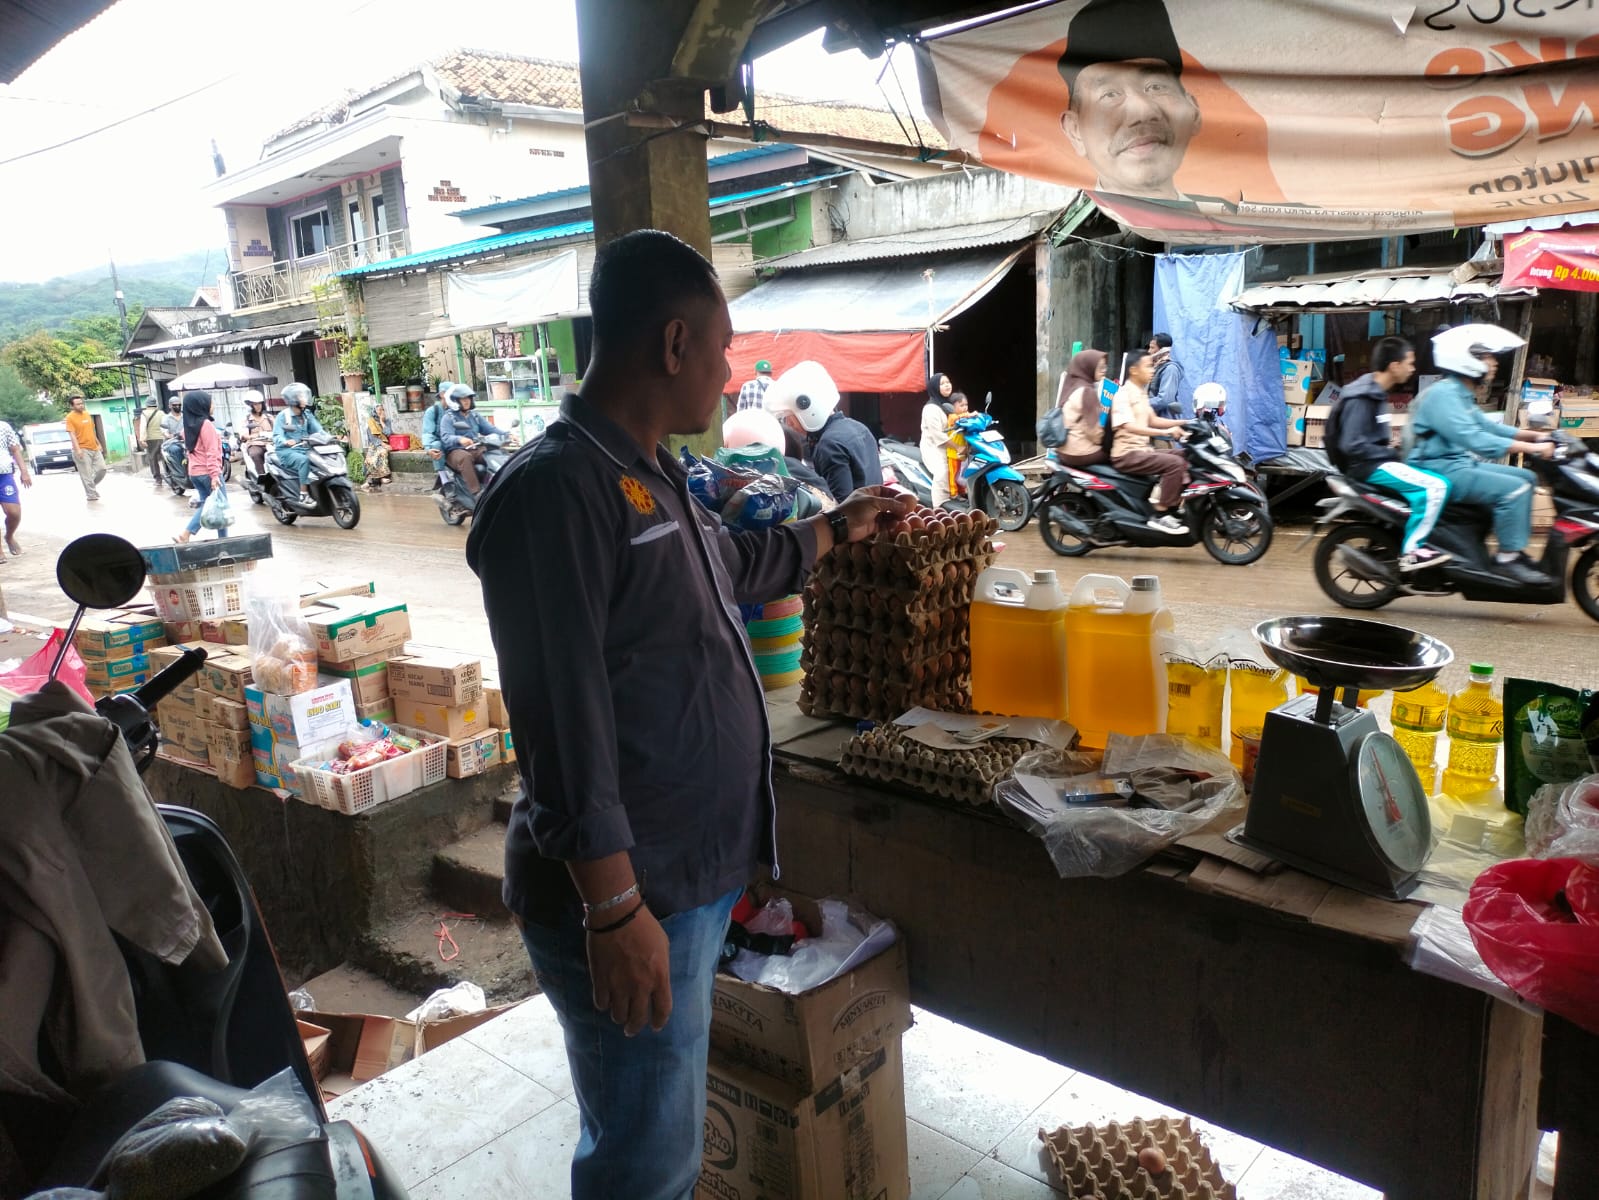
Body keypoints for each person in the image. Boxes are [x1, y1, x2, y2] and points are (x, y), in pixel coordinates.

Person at [464, 229, 909, 1200]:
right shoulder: (558, 493)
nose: (729, 370)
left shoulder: (650, 472)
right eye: (722, 346)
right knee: (644, 1159)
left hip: (683, 884)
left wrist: (837, 526)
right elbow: (560, 722)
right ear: (674, 344)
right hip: (635, 895)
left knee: (660, 1133)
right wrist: (614, 909)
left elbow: (733, 566)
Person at [1408, 331, 1557, 587]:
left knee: (1527, 478)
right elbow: (1475, 439)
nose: (1495, 363)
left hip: (1458, 463)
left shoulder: (1459, 393)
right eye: (1488, 357)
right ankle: (1507, 558)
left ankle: (1513, 550)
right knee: (1516, 488)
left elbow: (1488, 427)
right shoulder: (1443, 395)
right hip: (1439, 468)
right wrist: (1531, 448)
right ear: (1467, 361)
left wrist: (1536, 436)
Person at [1328, 337, 1452, 573]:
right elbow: (1352, 444)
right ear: (1395, 366)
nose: (1413, 369)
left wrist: (1389, 447)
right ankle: (1412, 551)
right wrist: (1387, 451)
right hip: (1368, 467)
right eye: (1410, 363)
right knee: (1435, 488)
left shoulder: (1376, 391)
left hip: (1375, 462)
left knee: (1440, 480)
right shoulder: (1363, 396)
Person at [1056, 0, 1202, 201]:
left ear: (1194, 112)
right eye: (1110, 94)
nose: (1142, 111)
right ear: (1075, 131)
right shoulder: (1074, 222)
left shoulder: (1232, 214)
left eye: (1156, 87)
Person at [764, 360, 881, 504]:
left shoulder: (829, 445)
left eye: (789, 415)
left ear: (807, 408)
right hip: (875, 512)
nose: (789, 423)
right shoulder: (859, 428)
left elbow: (840, 506)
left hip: (859, 517)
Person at [1110, 350, 1191, 532]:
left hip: (1142, 450)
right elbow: (1127, 426)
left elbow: (1153, 420)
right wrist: (1167, 432)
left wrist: (1186, 423)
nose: (1152, 370)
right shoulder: (1123, 394)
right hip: (1127, 454)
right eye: (1148, 366)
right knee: (1175, 464)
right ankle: (1161, 514)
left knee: (1187, 455)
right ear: (1134, 370)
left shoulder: (1141, 393)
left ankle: (1174, 505)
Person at [432, 383, 501, 497]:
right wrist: (459, 439)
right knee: (465, 457)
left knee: (493, 453)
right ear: (455, 400)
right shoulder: (448, 418)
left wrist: (507, 434)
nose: (466, 401)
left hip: (474, 448)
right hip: (455, 452)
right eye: (463, 399)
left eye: (468, 398)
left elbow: (490, 429)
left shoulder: (474, 416)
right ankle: (477, 493)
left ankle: (495, 484)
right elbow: (446, 437)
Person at [173, 391, 223, 544]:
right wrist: (214, 475)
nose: (213, 405)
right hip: (208, 472)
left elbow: (183, 437)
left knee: (210, 505)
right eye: (210, 402)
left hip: (195, 473)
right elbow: (211, 452)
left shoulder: (189, 425)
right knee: (219, 505)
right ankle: (187, 534)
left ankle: (222, 539)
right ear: (201, 405)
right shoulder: (206, 425)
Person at [1054, 348, 1112, 468]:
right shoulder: (1087, 391)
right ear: (1088, 368)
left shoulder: (1072, 385)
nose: (1104, 370)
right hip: (1079, 453)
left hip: (1062, 451)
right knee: (1118, 456)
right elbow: (1095, 434)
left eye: (1105, 367)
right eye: (1100, 367)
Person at [272, 383, 323, 499]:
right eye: (301, 396)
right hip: (287, 451)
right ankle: (303, 494)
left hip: (306, 449)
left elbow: (319, 430)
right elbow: (277, 435)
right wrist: (285, 441)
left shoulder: (307, 414)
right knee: (303, 461)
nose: (304, 399)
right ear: (293, 399)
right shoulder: (283, 416)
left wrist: (331, 437)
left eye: (304, 395)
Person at [921, 373, 955, 506]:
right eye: (942, 384)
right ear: (935, 388)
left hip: (950, 446)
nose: (947, 385)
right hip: (934, 448)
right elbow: (938, 436)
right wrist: (958, 447)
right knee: (943, 471)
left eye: (948, 382)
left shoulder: (949, 404)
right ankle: (939, 507)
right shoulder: (931, 409)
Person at [0, 418, 31, 560]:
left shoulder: (4, 426)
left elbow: (15, 449)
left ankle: (9, 536)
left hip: (4, 475)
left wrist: (24, 471)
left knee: (14, 512)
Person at [63, 396, 105, 502]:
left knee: (102, 469)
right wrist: (78, 450)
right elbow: (72, 435)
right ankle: (91, 494)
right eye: (78, 404)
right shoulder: (70, 418)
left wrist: (99, 443)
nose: (81, 405)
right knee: (86, 474)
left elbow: (91, 431)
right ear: (72, 406)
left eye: (82, 403)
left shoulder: (86, 414)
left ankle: (91, 487)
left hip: (94, 448)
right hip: (82, 449)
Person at [1147, 332, 1185, 418]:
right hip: (1149, 416)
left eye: (1152, 348)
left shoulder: (1170, 369)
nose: (1149, 351)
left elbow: (1165, 400)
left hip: (1163, 419)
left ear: (1163, 350)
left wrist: (1140, 404)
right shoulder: (1153, 367)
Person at [360, 395, 393, 490]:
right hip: (375, 444)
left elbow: (388, 433)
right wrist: (383, 444)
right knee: (370, 459)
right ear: (374, 411)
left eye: (383, 409)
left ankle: (382, 477)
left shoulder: (387, 421)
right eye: (379, 410)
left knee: (382, 452)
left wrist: (382, 422)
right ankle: (369, 481)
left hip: (384, 443)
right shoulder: (371, 422)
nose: (381, 411)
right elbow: (372, 437)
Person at [241, 393, 273, 478]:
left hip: (271, 443)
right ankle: (262, 477)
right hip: (255, 445)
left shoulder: (269, 417)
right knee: (255, 453)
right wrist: (256, 435)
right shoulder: (247, 420)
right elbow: (244, 435)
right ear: (249, 406)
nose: (258, 406)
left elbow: (277, 430)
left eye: (260, 403)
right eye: (255, 404)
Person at [946, 391, 971, 496]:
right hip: (953, 452)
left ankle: (962, 492)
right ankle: (954, 494)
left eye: (966, 405)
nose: (965, 408)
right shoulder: (952, 416)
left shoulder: (966, 417)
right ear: (952, 407)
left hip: (964, 450)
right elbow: (955, 418)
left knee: (962, 472)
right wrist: (969, 415)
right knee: (954, 473)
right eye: (961, 405)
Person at [142, 400, 167, 487]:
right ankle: (169, 475)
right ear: (155, 405)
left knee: (153, 459)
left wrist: (142, 439)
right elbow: (166, 425)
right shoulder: (161, 413)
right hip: (163, 438)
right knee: (165, 457)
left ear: (147, 405)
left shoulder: (144, 413)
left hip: (151, 439)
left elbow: (143, 427)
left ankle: (158, 479)